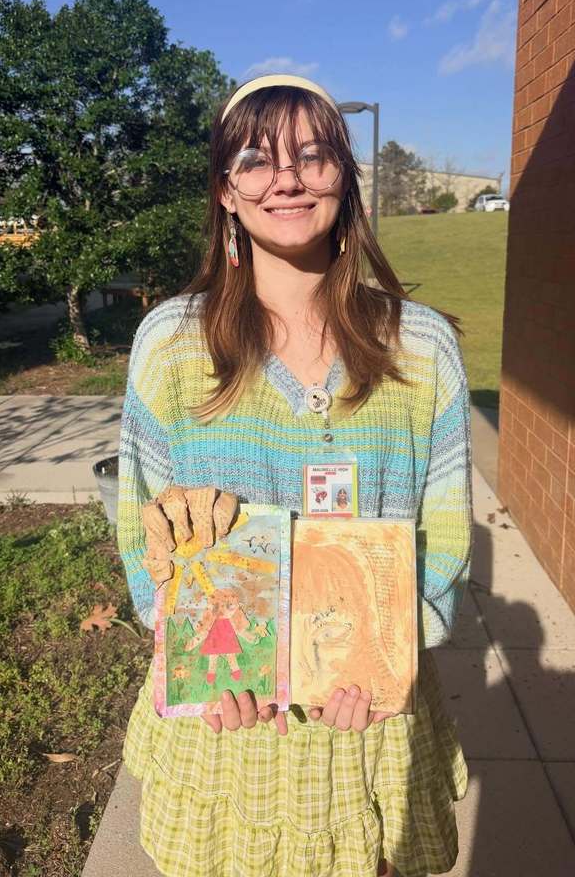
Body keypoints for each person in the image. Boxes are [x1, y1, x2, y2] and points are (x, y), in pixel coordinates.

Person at [117, 74, 472, 877]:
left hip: (365, 721)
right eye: (255, 161)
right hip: (226, 719)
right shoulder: (170, 343)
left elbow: (445, 530)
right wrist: (193, 656)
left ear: (344, 180)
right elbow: (143, 521)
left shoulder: (421, 348)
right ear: (225, 191)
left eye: (312, 157)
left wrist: (383, 658)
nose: (286, 179)